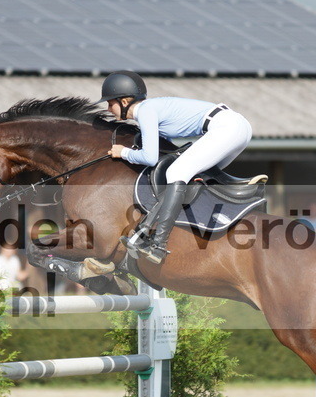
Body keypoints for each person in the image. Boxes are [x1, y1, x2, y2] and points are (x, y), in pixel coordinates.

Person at [98, 71, 253, 264]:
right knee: (195, 175)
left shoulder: (145, 111)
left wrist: (123, 152)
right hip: (238, 127)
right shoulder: (151, 110)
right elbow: (166, 149)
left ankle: (158, 243)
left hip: (226, 128)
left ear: (124, 101)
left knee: (176, 173)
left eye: (110, 102)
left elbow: (150, 158)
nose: (107, 108)